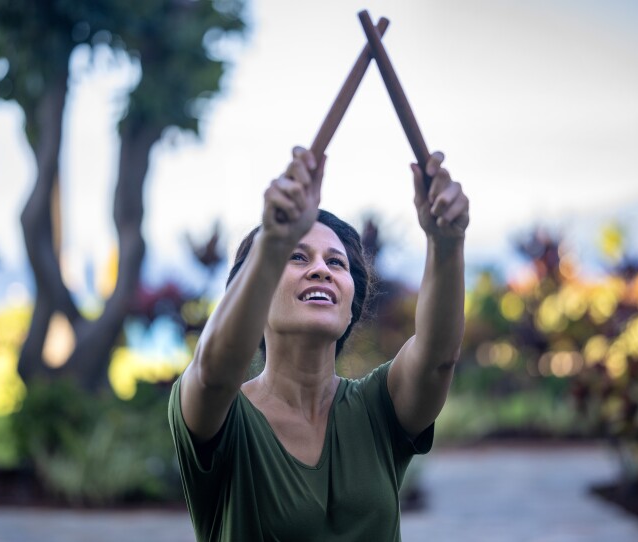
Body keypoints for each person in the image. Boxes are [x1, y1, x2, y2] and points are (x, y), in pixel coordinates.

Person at [168, 146, 469, 541]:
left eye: (336, 263)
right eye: (296, 257)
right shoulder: (226, 418)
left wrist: (446, 242)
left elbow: (437, 358)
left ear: (350, 306)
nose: (320, 270)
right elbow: (211, 372)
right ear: (254, 295)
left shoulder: (379, 408)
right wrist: (273, 241)